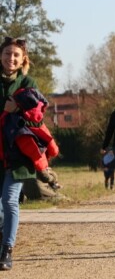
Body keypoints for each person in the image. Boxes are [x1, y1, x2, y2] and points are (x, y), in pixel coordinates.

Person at [0, 36, 40, 271]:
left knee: (9, 200)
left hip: (19, 154)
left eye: (15, 54)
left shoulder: (29, 83)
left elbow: (38, 118)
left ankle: (7, 250)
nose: (11, 58)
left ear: (23, 58)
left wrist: (19, 109)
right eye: (7, 53)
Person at [0, 87, 61, 190]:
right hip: (38, 156)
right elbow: (50, 143)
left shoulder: (17, 123)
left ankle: (53, 181)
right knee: (44, 174)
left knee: (44, 176)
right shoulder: (37, 118)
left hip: (34, 158)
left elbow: (30, 148)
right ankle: (52, 181)